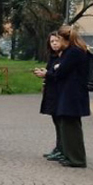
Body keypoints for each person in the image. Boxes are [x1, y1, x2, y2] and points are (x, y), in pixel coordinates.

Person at [43, 25, 90, 168]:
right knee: (67, 126)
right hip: (72, 94)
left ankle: (76, 158)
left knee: (71, 128)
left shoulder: (73, 52)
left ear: (65, 39)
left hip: (71, 95)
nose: (57, 42)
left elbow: (61, 71)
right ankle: (70, 155)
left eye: (59, 39)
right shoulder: (76, 51)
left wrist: (55, 70)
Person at [33, 31, 64, 161]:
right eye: (52, 41)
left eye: (57, 41)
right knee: (56, 122)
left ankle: (62, 148)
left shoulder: (65, 57)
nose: (54, 44)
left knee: (61, 122)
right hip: (51, 92)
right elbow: (50, 71)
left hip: (60, 94)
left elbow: (58, 74)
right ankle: (58, 147)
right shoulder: (53, 57)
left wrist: (47, 74)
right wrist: (44, 75)